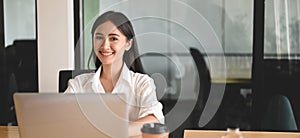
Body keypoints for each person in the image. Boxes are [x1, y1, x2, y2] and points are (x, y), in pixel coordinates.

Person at [64, 11, 164, 137]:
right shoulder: (78, 84)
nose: (105, 46)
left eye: (113, 38)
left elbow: (154, 121)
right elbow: (62, 120)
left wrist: (111, 133)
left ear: (128, 44)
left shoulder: (141, 83)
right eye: (99, 37)